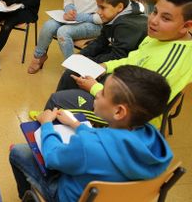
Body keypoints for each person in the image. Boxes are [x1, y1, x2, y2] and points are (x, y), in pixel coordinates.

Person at [10, 65, 173, 201]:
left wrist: (46, 125)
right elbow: (110, 143)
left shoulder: (88, 146)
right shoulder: (156, 143)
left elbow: (52, 157)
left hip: (71, 196)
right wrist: (76, 125)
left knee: (18, 152)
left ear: (119, 112)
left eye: (102, 93)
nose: (95, 94)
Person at [44, 0, 192, 127]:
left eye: (165, 18)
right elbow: (132, 59)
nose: (153, 21)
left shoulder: (171, 60)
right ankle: (57, 124)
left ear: (186, 26)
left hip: (128, 117)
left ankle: (50, 134)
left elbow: (135, 104)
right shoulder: (159, 37)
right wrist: (105, 66)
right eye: (154, 12)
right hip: (123, 87)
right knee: (71, 74)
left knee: (58, 100)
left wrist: (95, 88)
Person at [55, 0, 148, 91]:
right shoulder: (115, 15)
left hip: (129, 69)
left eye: (102, 8)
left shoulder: (128, 26)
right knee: (75, 68)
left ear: (119, 7)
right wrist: (82, 55)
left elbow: (119, 56)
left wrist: (89, 61)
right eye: (98, 7)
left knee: (72, 74)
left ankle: (63, 102)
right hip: (118, 53)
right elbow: (101, 41)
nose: (98, 12)